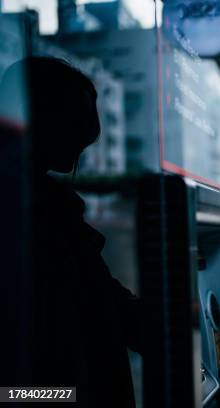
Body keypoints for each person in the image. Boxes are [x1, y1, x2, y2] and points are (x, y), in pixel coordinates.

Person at [0, 57, 144, 408]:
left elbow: (102, 296)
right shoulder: (31, 207)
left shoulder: (45, 204)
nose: (86, 141)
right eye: (78, 124)